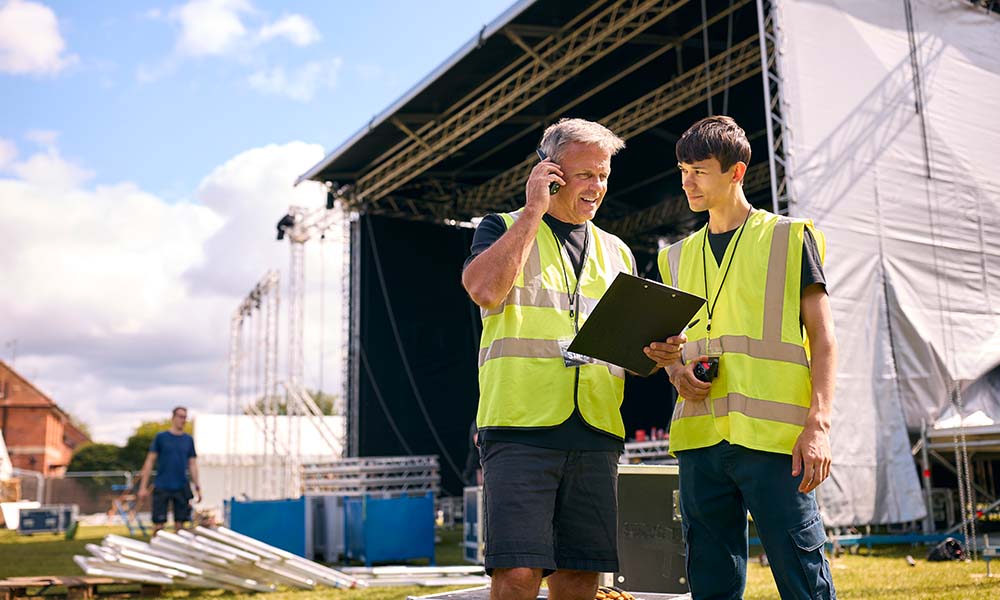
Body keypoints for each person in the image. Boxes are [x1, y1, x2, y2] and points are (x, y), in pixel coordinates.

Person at [463, 117, 684, 600]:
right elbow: (484, 290)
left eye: (604, 175)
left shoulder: (618, 251)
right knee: (518, 574)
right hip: (520, 426)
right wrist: (532, 212)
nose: (598, 187)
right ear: (551, 172)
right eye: (586, 174)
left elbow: (626, 353)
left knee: (581, 575)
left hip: (596, 432)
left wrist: (658, 354)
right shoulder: (502, 227)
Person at [658, 116, 837, 600]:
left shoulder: (788, 236)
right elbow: (669, 347)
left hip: (776, 440)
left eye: (699, 170)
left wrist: (817, 425)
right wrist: (674, 368)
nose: (686, 181)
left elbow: (823, 337)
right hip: (699, 438)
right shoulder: (673, 258)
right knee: (710, 582)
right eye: (682, 169)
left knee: (803, 577)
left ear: (736, 173)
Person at [138, 406, 201, 533]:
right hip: (162, 485)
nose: (183, 420)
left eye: (185, 417)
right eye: (180, 417)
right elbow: (149, 461)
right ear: (173, 418)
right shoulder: (161, 438)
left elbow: (193, 464)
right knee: (159, 525)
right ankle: (156, 550)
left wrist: (198, 487)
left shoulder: (188, 440)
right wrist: (143, 487)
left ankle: (179, 551)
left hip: (181, 486)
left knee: (180, 526)